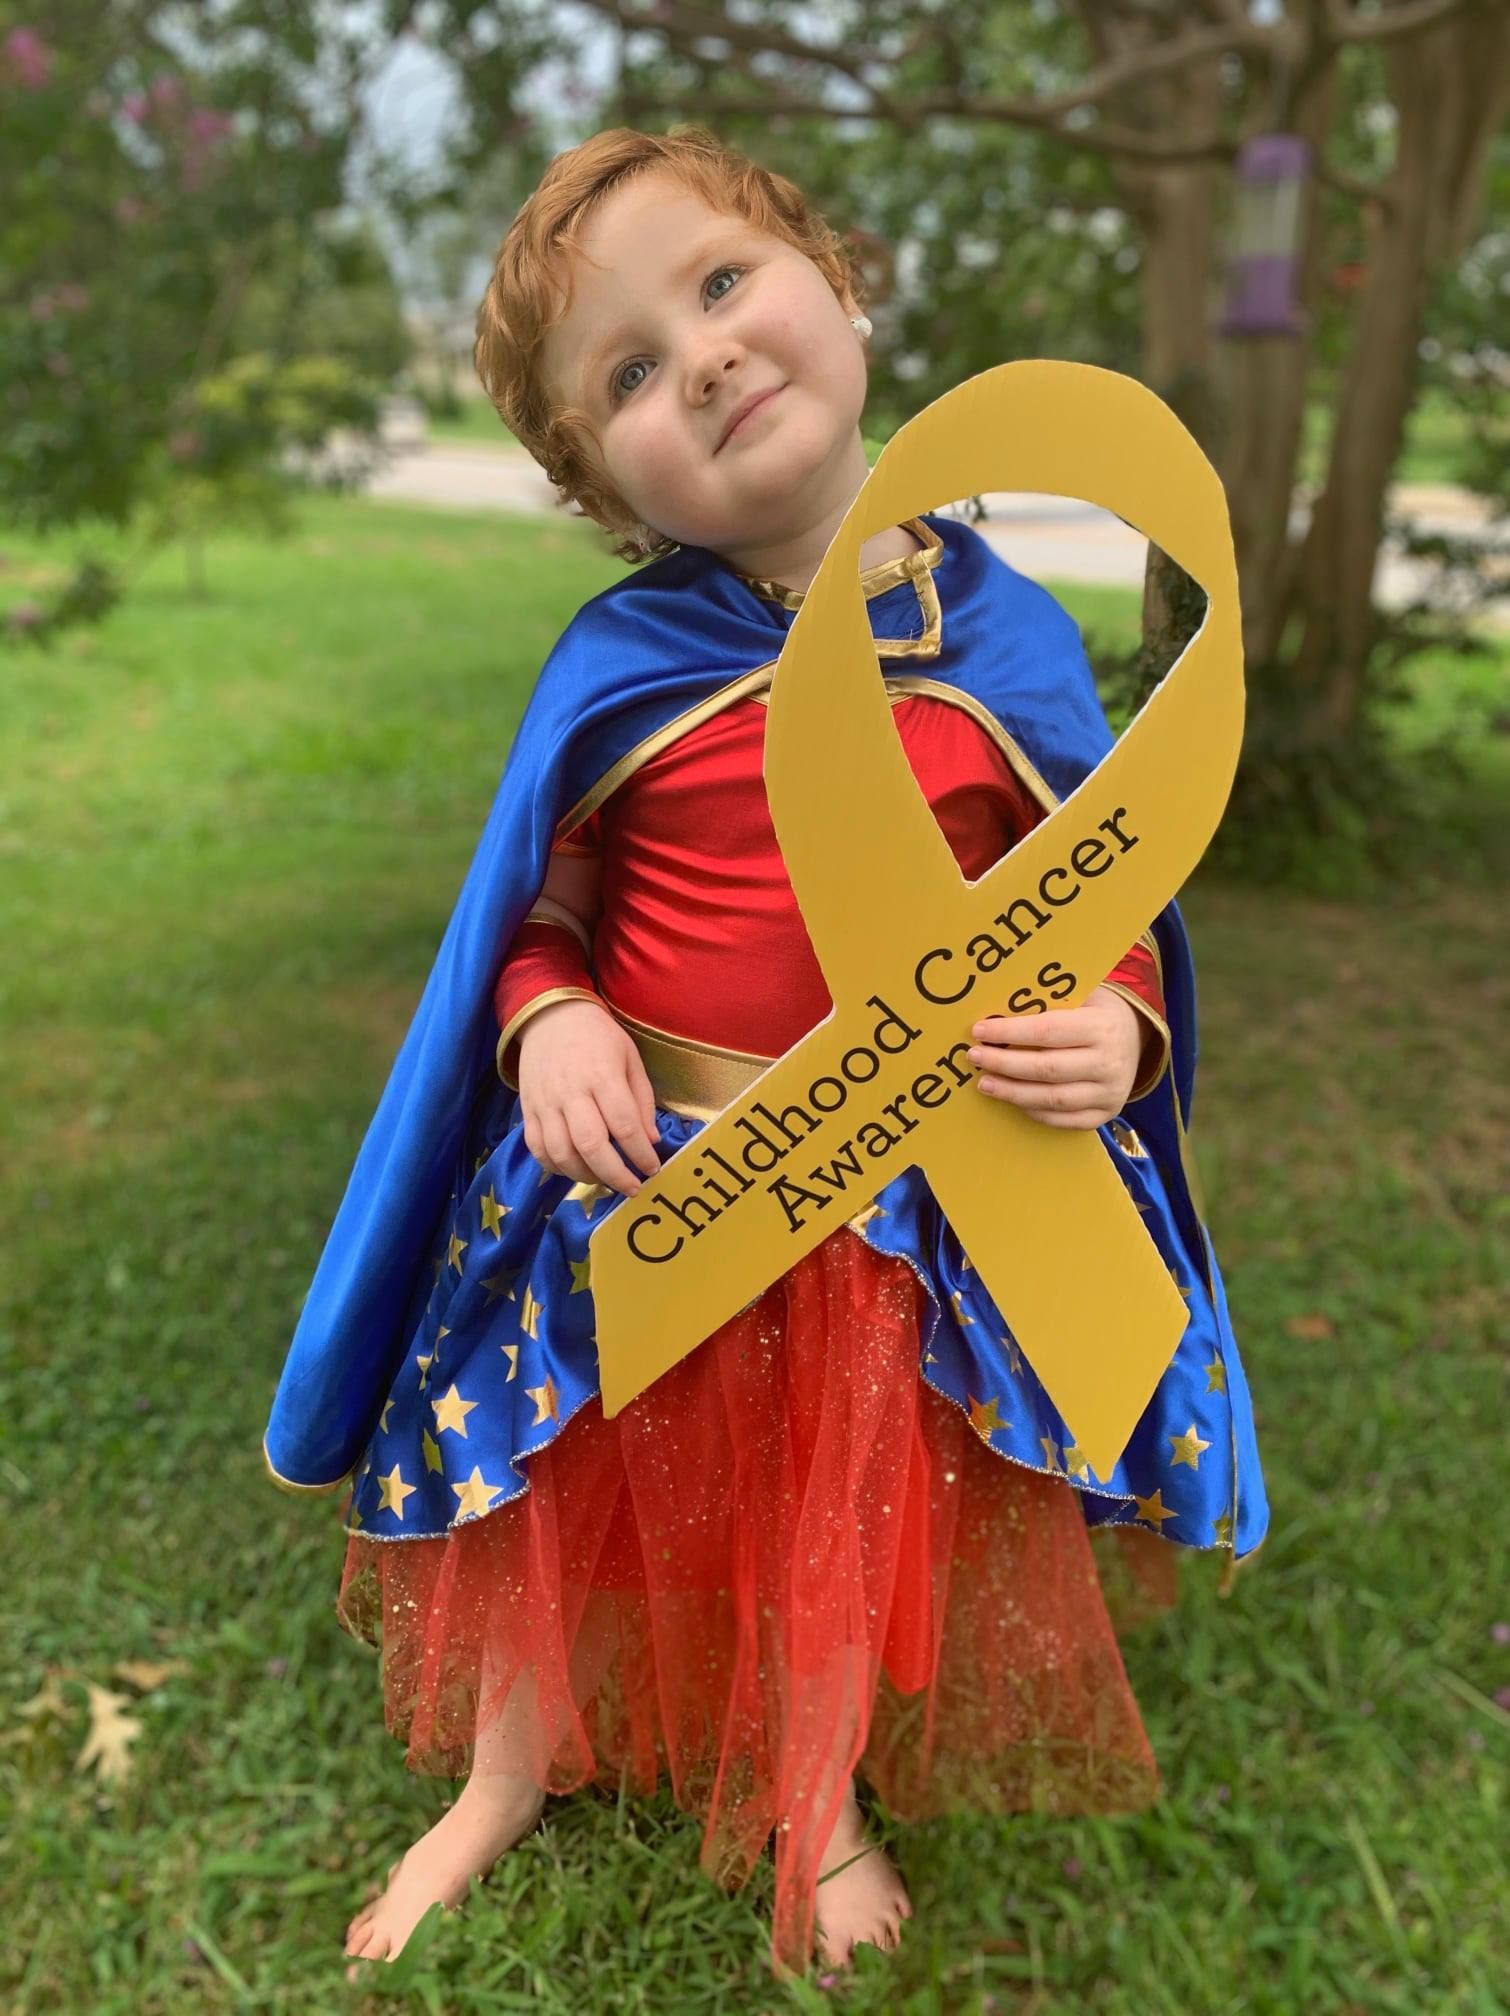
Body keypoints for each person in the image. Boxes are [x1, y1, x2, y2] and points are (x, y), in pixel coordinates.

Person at [261, 124, 1269, 1981]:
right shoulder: (621, 663)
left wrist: (1116, 1028)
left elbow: (1094, 887)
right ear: (597, 481)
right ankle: (507, 1767)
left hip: (874, 1210)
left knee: (834, 1520)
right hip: (630, 1178)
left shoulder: (1010, 643)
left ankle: (817, 1802)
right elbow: (535, 908)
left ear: (839, 279)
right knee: (548, 1496)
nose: (703, 357)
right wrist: (546, 1012)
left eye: (722, 286)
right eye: (628, 373)